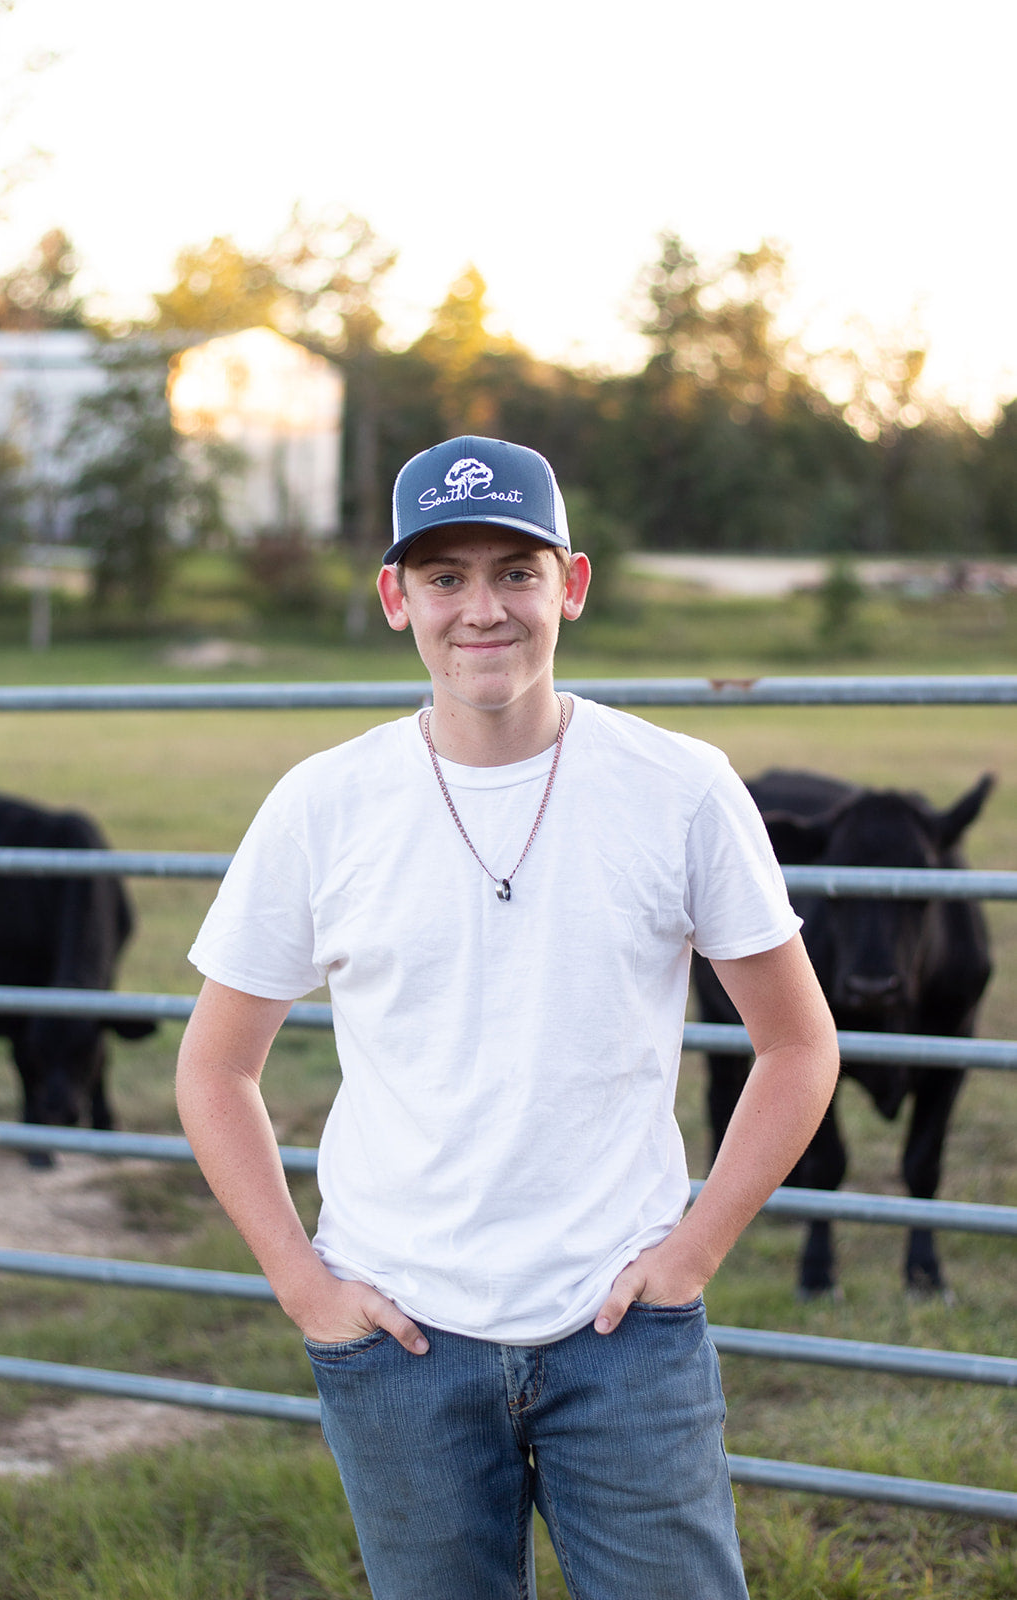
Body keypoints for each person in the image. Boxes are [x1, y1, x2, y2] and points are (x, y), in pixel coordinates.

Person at [176, 435, 840, 1600]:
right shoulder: (322, 805)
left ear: (569, 584)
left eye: (513, 572)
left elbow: (796, 1043)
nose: (481, 609)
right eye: (444, 577)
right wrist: (301, 1282)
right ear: (397, 599)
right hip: (397, 1337)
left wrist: (693, 1252)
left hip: (622, 1330)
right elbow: (215, 1067)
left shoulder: (679, 786)